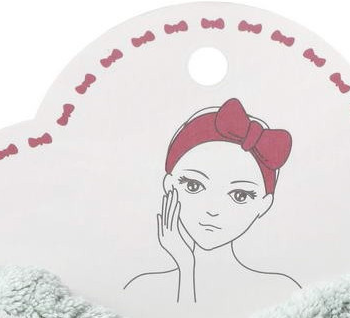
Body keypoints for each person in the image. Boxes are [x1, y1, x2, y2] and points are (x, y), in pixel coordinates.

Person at [124, 97, 301, 302]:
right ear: (169, 184)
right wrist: (185, 265)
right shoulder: (140, 288)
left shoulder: (284, 291)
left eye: (240, 196)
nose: (213, 210)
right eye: (193, 186)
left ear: (264, 204)